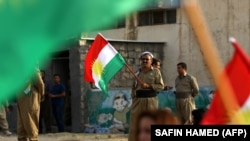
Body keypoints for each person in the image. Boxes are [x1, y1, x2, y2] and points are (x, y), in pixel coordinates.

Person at [128, 51, 164, 141]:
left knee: (151, 122)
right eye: (143, 59)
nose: (144, 61)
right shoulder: (137, 73)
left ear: (151, 61)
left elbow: (161, 86)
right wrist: (134, 97)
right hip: (138, 101)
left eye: (147, 59)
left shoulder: (156, 72)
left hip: (150, 101)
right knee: (135, 123)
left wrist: (149, 86)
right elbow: (134, 87)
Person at [17, 68, 44, 141]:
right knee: (31, 118)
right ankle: (33, 138)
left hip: (20, 94)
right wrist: (42, 94)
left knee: (22, 119)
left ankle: (22, 137)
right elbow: (39, 83)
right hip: (30, 95)